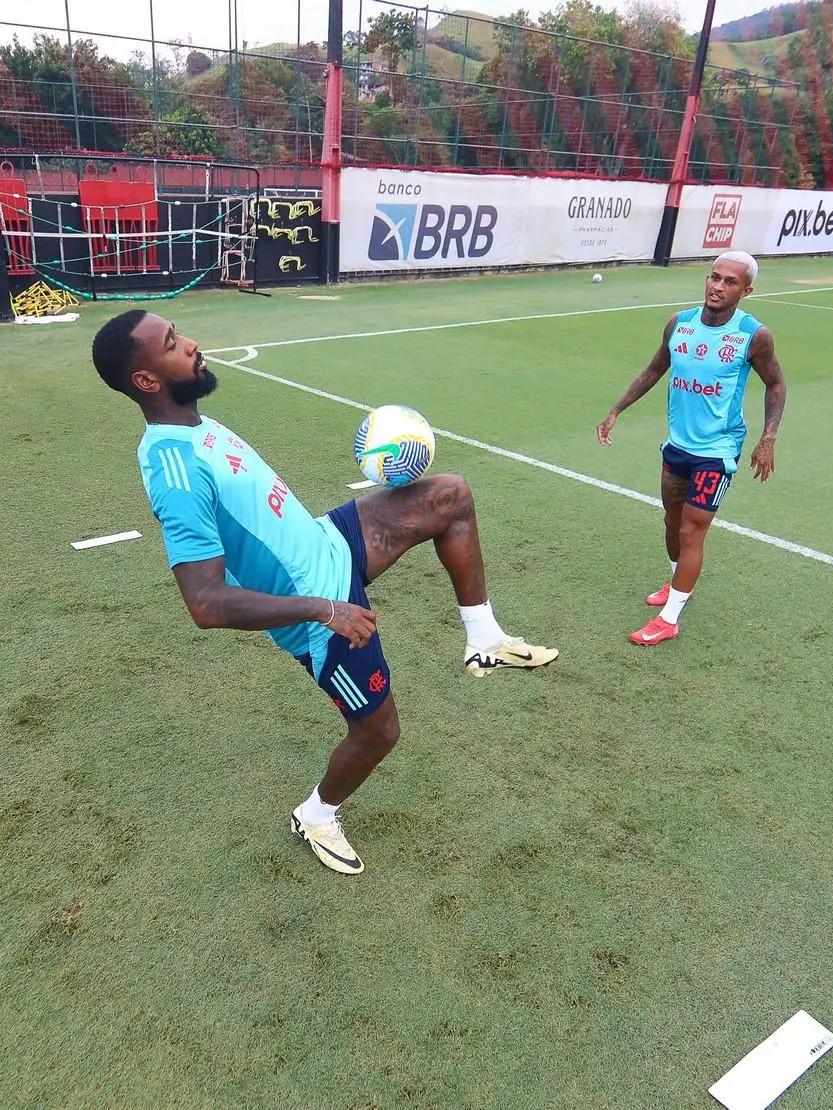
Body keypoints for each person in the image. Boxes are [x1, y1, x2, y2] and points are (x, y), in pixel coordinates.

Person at [91, 310, 558, 875]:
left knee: (449, 496)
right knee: (379, 731)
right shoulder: (174, 466)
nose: (190, 343)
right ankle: (316, 814)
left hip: (329, 542)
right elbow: (205, 602)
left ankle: (484, 638)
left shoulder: (196, 424)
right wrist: (325, 609)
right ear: (146, 380)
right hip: (318, 612)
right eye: (171, 344)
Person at [595, 251, 787, 646]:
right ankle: (678, 583)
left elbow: (776, 384)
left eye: (730, 282)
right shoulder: (679, 324)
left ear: (746, 290)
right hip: (677, 446)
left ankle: (669, 619)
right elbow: (653, 369)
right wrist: (616, 410)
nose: (717, 286)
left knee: (691, 531)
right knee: (671, 520)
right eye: (714, 277)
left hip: (717, 450)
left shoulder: (753, 335)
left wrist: (768, 436)